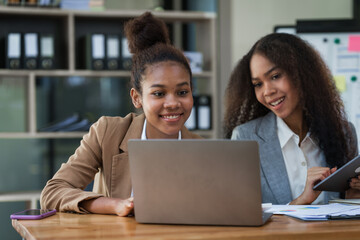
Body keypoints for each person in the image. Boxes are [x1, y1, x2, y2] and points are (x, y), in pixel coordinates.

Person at [40, 12, 201, 216]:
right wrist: (114, 205)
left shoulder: (202, 149)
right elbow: (52, 192)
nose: (173, 103)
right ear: (137, 98)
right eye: (159, 93)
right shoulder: (108, 133)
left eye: (182, 92)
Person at [224, 33, 359, 205]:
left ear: (301, 74)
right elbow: (243, 214)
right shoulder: (246, 137)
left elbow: (347, 214)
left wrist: (354, 196)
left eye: (275, 76)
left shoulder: (345, 133)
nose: (267, 91)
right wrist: (301, 201)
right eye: (258, 84)